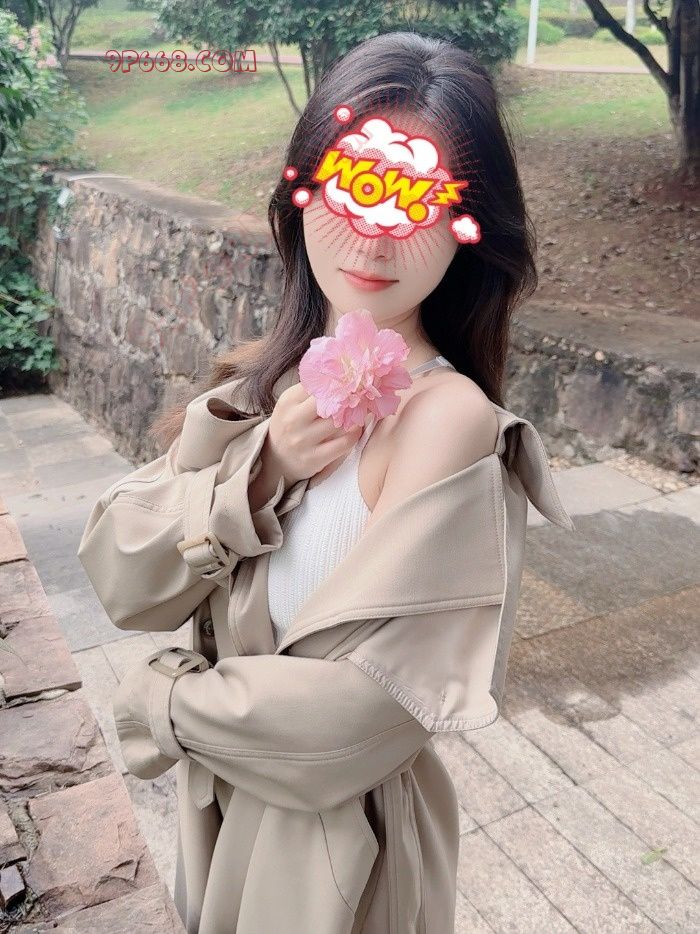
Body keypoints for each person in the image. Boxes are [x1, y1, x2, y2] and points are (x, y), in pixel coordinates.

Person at [77, 31, 575, 934]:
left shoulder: (449, 422)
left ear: (469, 227)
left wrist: (161, 699)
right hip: (219, 826)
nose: (375, 232)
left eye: (417, 198)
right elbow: (121, 573)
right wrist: (258, 472)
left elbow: (358, 720)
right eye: (352, 185)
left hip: (338, 864)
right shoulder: (260, 386)